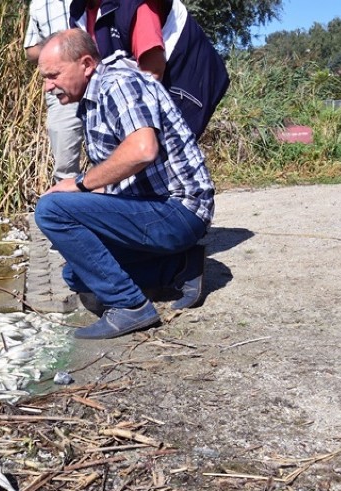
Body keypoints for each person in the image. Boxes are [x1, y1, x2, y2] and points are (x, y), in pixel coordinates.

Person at [34, 28, 214, 339]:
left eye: (53, 75)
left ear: (87, 63)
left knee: (51, 210)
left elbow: (142, 150)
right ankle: (179, 267)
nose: (48, 87)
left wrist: (77, 186)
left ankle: (130, 307)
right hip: (152, 208)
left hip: (178, 209)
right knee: (76, 273)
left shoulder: (118, 83)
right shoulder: (90, 101)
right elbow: (115, 179)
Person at [69, 0, 230, 138]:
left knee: (160, 159)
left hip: (183, 80)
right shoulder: (79, 13)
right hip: (141, 83)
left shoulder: (134, 4)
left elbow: (153, 71)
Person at [24, 0, 84, 182]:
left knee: (111, 149)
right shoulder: (38, 4)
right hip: (60, 90)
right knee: (65, 163)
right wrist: (59, 45)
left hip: (97, 76)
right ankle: (68, 204)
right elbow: (30, 50)